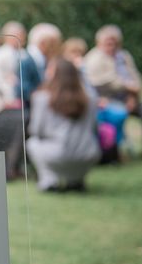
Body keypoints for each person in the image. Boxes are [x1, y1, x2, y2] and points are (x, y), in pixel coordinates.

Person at [27, 58, 101, 192]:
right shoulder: (90, 97)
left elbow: (36, 130)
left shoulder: (42, 98)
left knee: (32, 143)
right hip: (88, 153)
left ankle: (49, 180)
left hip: (56, 155)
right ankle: (76, 180)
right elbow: (94, 127)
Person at [84, 25, 142, 156]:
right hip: (106, 101)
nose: (111, 47)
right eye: (107, 43)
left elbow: (135, 77)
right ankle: (113, 153)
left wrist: (132, 97)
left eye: (114, 43)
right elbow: (104, 82)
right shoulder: (93, 58)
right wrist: (129, 87)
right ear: (99, 43)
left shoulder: (124, 56)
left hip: (129, 99)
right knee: (118, 113)